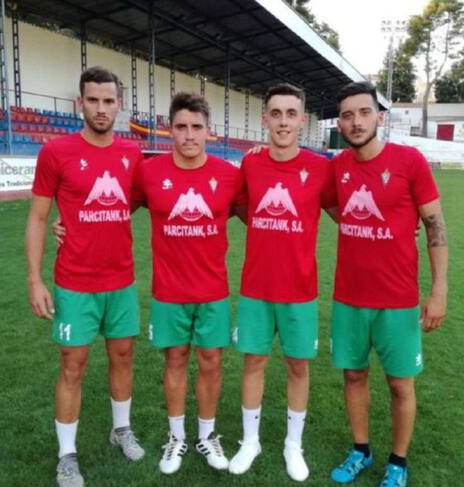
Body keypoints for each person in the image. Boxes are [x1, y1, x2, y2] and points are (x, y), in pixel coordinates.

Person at [54, 92, 246, 475]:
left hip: (213, 290)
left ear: (209, 131)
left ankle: (207, 436)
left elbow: (251, 214)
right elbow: (115, 205)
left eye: (196, 127)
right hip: (169, 291)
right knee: (174, 360)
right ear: (170, 130)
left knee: (212, 361)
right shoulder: (148, 172)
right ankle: (176, 437)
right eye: (181, 127)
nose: (189, 135)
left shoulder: (229, 175)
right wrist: (68, 223)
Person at [25, 66, 145, 487]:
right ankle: (67, 455)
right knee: (72, 366)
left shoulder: (131, 153)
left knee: (123, 356)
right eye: (93, 100)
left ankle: (121, 429)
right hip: (74, 282)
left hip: (122, 280)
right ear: (80, 103)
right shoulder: (55, 152)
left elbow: (138, 198)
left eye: (108, 101)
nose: (100, 108)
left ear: (119, 105)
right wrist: (35, 280)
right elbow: (38, 217)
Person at [327, 81, 448, 487]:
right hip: (349, 297)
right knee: (353, 376)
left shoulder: (409, 161)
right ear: (339, 123)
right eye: (347, 115)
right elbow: (331, 204)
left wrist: (439, 292)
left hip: (398, 300)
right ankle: (360, 450)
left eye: (364, 113)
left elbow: (435, 227)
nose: (356, 122)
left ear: (379, 117)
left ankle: (398, 462)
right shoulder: (337, 167)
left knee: (399, 384)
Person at [228, 83, 335, 482]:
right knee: (253, 362)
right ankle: (250, 441)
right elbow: (237, 205)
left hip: (300, 289)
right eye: (276, 114)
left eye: (291, 114)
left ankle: (293, 445)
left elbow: (346, 212)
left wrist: (399, 224)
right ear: (265, 119)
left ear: (302, 120)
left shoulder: (321, 168)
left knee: (298, 366)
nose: (284, 122)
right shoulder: (251, 164)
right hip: (256, 287)